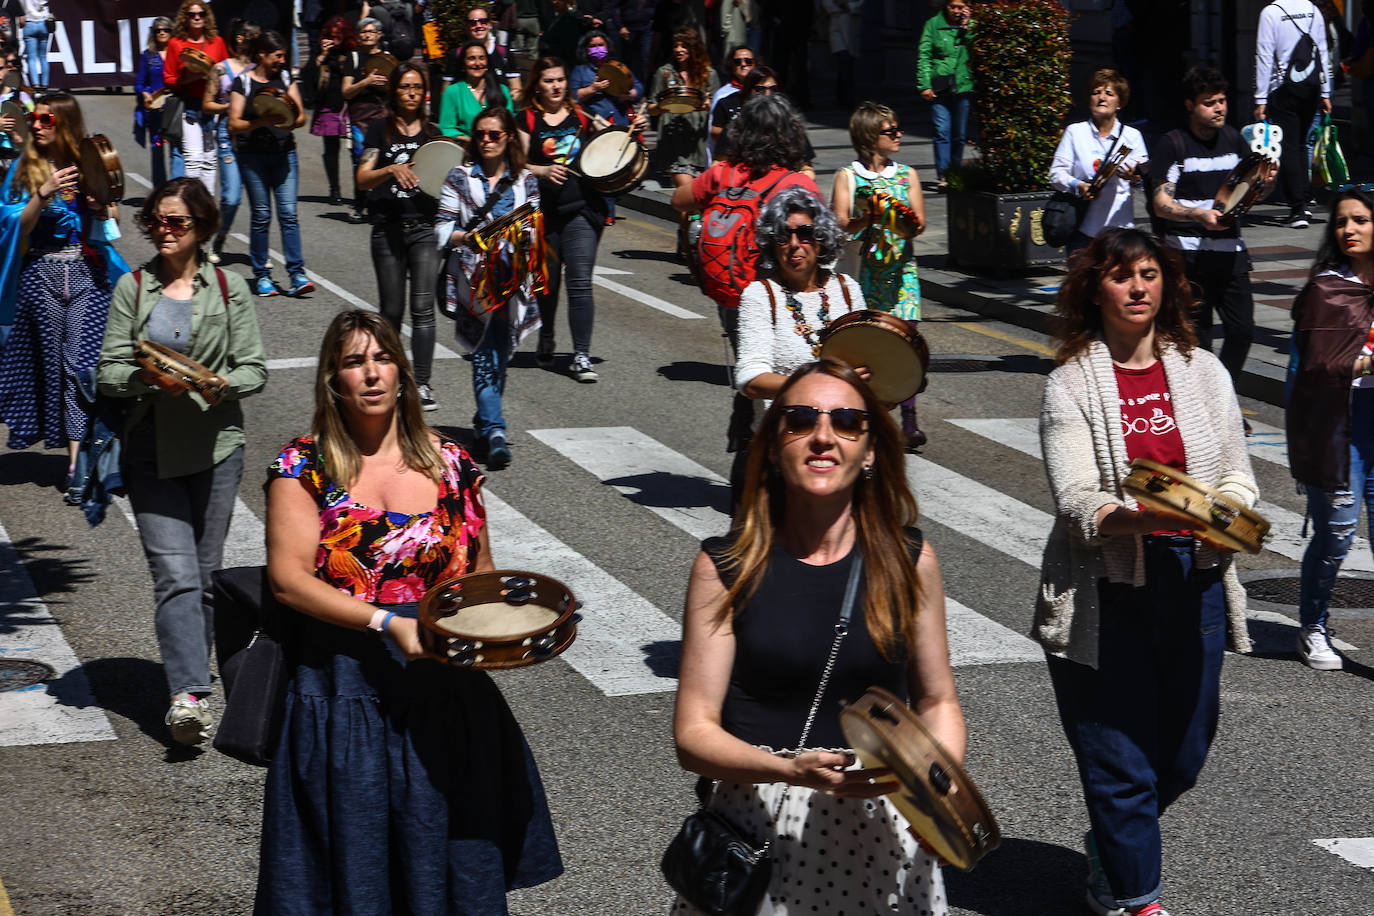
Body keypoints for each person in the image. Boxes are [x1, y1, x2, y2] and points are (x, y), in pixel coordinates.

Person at [256, 309, 563, 911]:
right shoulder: (303, 467)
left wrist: (509, 630)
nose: (371, 374)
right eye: (353, 362)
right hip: (345, 700)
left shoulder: (453, 465)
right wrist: (385, 622)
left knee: (451, 874)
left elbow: (480, 577)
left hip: (447, 700)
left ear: (402, 371)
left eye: (382, 358)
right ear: (332, 381)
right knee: (357, 880)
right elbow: (289, 581)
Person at [672, 358, 964, 915]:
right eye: (801, 420)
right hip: (759, 830)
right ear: (774, 448)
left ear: (872, 449)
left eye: (848, 423)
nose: (824, 437)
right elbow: (693, 732)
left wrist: (934, 792)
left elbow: (938, 700)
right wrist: (787, 769)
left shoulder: (910, 560)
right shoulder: (725, 567)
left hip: (884, 830)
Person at [1036, 227, 1256, 916]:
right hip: (1107, 586)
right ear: (1093, 290)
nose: (1139, 288)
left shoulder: (1200, 370)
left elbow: (1237, 475)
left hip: (1194, 577)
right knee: (1118, 759)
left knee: (1186, 751)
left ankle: (1115, 838)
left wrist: (1228, 512)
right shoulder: (1068, 383)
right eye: (1123, 276)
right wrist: (1145, 517)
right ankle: (1136, 896)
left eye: (1151, 275)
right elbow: (1077, 504)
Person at [96, 177, 267, 746]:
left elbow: (254, 368)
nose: (163, 231)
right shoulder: (133, 288)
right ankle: (188, 695)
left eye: (176, 222)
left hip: (217, 448)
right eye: (155, 221)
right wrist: (145, 377)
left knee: (207, 575)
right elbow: (108, 371)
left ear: (202, 228)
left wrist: (217, 386)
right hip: (151, 449)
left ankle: (199, 670)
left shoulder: (228, 287)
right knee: (174, 576)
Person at [674, 93, 820, 484]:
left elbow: (679, 198)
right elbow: (822, 236)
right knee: (781, 380)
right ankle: (764, 468)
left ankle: (746, 450)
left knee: (753, 372)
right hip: (776, 296)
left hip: (732, 291)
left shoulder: (723, 173)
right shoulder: (794, 183)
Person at [0, 92, 125, 491]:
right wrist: (44, 191)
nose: (35, 125)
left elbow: (111, 213)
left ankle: (80, 461)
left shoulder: (89, 161)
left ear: (65, 123)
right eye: (34, 118)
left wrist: (100, 204)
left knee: (79, 367)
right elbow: (16, 225)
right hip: (42, 277)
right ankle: (76, 457)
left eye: (45, 119)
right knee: (57, 367)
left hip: (87, 273)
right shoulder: (24, 168)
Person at [1152, 66, 1275, 419]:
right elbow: (1161, 204)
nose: (1219, 108)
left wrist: (1264, 185)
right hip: (1187, 259)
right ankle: (1210, 412)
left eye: (1222, 101)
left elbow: (1248, 195)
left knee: (1243, 331)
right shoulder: (1172, 144)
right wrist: (1196, 215)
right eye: (1209, 103)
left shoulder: (1235, 140)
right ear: (1191, 105)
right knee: (1199, 340)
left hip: (1230, 255)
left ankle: (1221, 399)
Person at [1285, 189, 1374, 672]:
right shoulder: (1326, 290)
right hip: (1339, 426)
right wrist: (1364, 360)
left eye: (1360, 220)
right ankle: (1312, 626)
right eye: (1341, 222)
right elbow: (1316, 369)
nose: (1349, 230)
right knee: (1337, 536)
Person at [436, 106, 542, 470]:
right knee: (485, 353)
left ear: (509, 137)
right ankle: (496, 430)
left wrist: (523, 239)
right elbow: (442, 229)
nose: (486, 141)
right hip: (474, 280)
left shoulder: (525, 180)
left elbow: (533, 225)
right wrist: (467, 237)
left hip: (512, 278)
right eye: (480, 134)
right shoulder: (459, 177)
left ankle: (482, 425)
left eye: (494, 134)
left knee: (500, 351)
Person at [521, 55, 634, 381]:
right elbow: (515, 162)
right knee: (548, 284)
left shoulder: (583, 117)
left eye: (559, 80)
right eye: (548, 81)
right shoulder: (527, 120)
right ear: (537, 86)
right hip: (543, 213)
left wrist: (629, 130)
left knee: (580, 281)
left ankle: (581, 355)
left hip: (582, 209)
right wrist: (541, 169)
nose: (555, 86)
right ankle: (546, 337)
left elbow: (614, 141)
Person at [832, 101, 927, 448]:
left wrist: (896, 217)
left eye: (898, 128)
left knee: (908, 347)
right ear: (871, 136)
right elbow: (837, 226)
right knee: (869, 351)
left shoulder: (907, 175)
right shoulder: (848, 176)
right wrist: (868, 217)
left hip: (902, 275)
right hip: (864, 276)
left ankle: (909, 420)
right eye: (891, 131)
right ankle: (870, 420)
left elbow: (917, 224)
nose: (899, 134)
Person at [357, 62, 441, 412]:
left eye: (416, 87)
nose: (410, 92)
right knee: (391, 312)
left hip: (424, 230)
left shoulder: (434, 136)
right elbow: (362, 178)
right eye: (404, 87)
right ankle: (391, 379)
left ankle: (420, 383)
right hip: (387, 229)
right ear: (394, 91)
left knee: (423, 309)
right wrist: (391, 169)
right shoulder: (379, 130)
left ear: (424, 93)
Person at [228, 30, 313, 299]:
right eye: (277, 55)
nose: (281, 60)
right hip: (252, 157)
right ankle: (262, 277)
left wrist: (286, 118)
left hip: (283, 153)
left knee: (288, 214)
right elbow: (233, 124)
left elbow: (301, 118)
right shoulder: (242, 82)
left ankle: (297, 274)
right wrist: (261, 122)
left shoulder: (286, 78)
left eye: (284, 55)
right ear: (262, 55)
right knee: (262, 215)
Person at [1048, 69, 1149, 257]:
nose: (1101, 98)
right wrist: (1078, 185)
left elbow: (1145, 182)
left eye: (1109, 94)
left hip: (1120, 233)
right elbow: (1055, 174)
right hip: (1083, 232)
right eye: (1096, 93)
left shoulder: (1132, 137)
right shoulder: (1075, 132)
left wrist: (1135, 179)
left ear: (1119, 103)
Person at [1254, 0, 1331, 229]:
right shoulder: (1312, 10)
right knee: (1299, 145)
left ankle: (1297, 208)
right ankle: (1305, 199)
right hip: (1311, 88)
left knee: (1288, 147)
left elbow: (1264, 55)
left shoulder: (1271, 13)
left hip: (1284, 88)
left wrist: (1260, 97)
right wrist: (1326, 92)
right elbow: (1322, 50)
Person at [200, 18, 259, 265]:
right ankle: (219, 237)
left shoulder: (260, 67)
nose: (258, 40)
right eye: (253, 36)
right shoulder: (221, 69)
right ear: (240, 38)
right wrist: (229, 107)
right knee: (232, 196)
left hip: (256, 134)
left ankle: (260, 253)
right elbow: (206, 104)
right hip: (227, 133)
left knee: (260, 200)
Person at [163, 0, 230, 195]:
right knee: (193, 159)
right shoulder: (176, 43)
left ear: (206, 16)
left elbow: (226, 71)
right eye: (192, 14)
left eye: (200, 13)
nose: (197, 17)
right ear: (185, 17)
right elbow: (168, 78)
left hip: (212, 105)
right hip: (188, 106)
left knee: (209, 159)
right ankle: (191, 204)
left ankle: (206, 205)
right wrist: (189, 78)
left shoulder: (216, 42)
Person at [648, 28, 718, 192]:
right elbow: (651, 108)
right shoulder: (664, 73)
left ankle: (691, 218)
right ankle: (694, 217)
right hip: (673, 143)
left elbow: (716, 109)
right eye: (676, 46)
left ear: (694, 49)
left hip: (698, 144)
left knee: (694, 197)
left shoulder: (709, 74)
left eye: (684, 46)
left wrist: (707, 105)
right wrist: (663, 106)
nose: (678, 50)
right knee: (688, 191)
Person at [300, 16, 357, 209]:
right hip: (328, 107)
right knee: (331, 151)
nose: (335, 40)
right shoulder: (321, 53)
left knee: (356, 151)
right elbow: (307, 79)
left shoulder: (352, 53)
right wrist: (321, 57)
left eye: (338, 36)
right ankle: (335, 189)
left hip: (350, 108)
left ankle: (360, 192)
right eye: (331, 36)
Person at [915, 0, 972, 190]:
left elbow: (980, 49)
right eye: (953, 6)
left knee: (960, 134)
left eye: (960, 7)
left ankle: (956, 172)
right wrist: (924, 84)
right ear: (946, 6)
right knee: (942, 130)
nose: (956, 11)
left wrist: (968, 28)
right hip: (940, 86)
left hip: (963, 84)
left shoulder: (971, 26)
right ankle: (944, 175)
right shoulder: (933, 25)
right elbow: (924, 55)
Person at [342, 17, 393, 224]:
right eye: (363, 32)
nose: (367, 35)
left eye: (371, 31)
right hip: (359, 118)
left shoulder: (389, 59)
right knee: (360, 160)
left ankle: (380, 204)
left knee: (385, 159)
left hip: (383, 116)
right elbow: (346, 92)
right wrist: (367, 81)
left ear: (379, 35)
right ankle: (359, 204)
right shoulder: (353, 58)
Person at [438, 39, 514, 140]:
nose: (477, 63)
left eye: (481, 58)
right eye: (471, 58)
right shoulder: (452, 92)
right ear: (463, 63)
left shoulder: (502, 90)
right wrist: (472, 142)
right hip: (465, 148)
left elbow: (510, 125)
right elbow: (446, 128)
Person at [445, 3, 523, 98]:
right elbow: (446, 92)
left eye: (483, 21)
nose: (478, 26)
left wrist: (506, 98)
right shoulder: (457, 55)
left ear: (490, 25)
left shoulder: (504, 54)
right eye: (473, 23)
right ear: (466, 26)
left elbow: (517, 89)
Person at [134, 18, 174, 189]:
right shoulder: (148, 55)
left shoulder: (178, 53)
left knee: (176, 151)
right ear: (154, 33)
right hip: (156, 112)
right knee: (157, 149)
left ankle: (175, 188)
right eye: (158, 30)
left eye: (166, 29)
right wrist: (145, 94)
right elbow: (139, 83)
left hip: (175, 110)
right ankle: (159, 190)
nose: (162, 32)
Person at [706, 45, 753, 161]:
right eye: (738, 62)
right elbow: (714, 134)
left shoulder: (764, 90)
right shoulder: (722, 95)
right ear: (731, 66)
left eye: (748, 61)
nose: (743, 64)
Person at [819, 0, 862, 110]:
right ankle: (846, 98)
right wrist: (838, 7)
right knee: (844, 61)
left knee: (848, 64)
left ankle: (845, 97)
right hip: (837, 25)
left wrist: (849, 6)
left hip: (851, 25)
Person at [19, 0, 47, 90]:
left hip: (29, 22)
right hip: (43, 22)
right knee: (43, 57)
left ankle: (36, 85)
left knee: (32, 58)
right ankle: (45, 84)